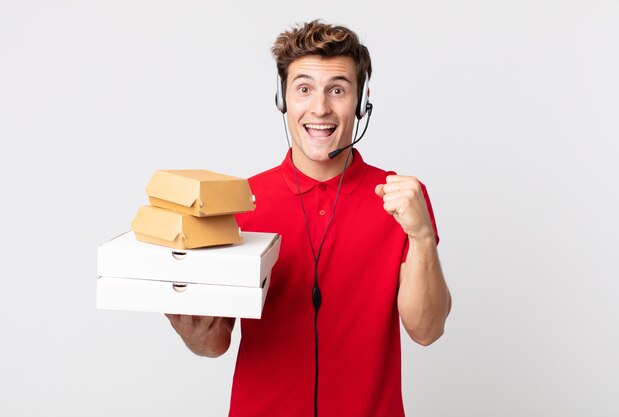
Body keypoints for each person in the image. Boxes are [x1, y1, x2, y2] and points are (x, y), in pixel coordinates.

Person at [166, 20, 451, 417]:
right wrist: (190, 328)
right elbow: (214, 342)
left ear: (362, 101)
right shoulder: (242, 201)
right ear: (282, 99)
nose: (320, 108)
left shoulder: (401, 200)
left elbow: (427, 329)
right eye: (304, 89)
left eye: (338, 89)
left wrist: (420, 237)